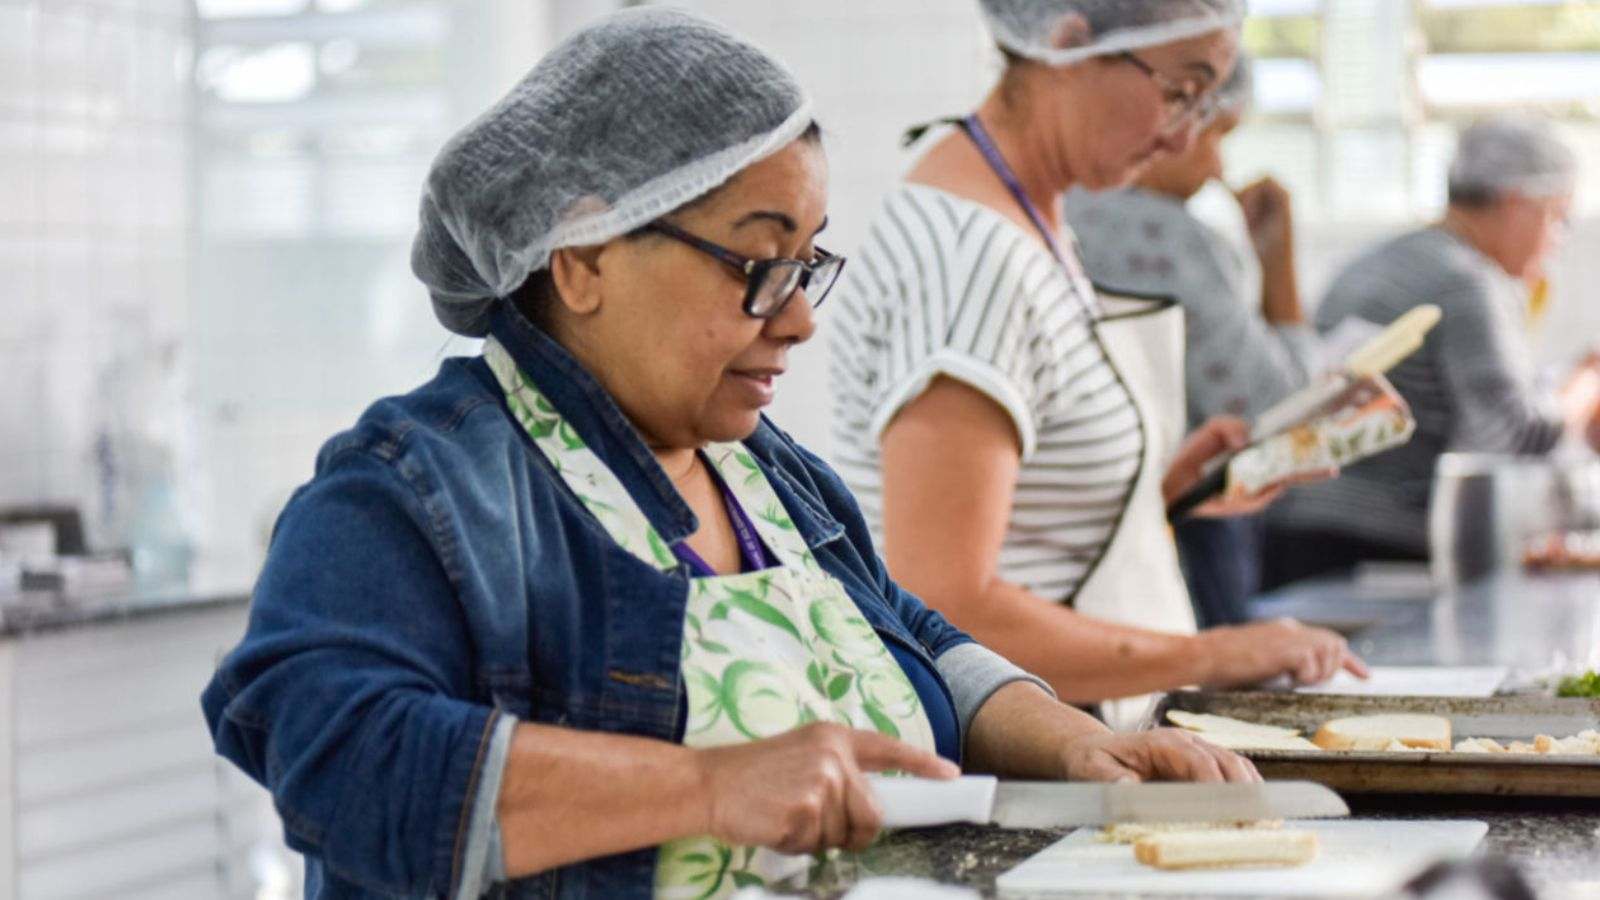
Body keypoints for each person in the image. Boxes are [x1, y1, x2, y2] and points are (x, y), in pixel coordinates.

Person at [199, 10, 1260, 900]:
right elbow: (332, 757)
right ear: (581, 258)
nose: (797, 320)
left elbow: (914, 634)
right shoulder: (416, 487)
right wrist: (703, 787)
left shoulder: (766, 471)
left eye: (807, 265)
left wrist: (1070, 743)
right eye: (758, 264)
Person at [829, 0, 1365, 731]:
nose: (1184, 135)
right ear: (1069, 44)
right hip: (999, 743)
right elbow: (943, 602)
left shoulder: (1033, 212)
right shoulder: (973, 259)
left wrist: (1168, 486)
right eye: (1180, 91)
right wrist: (1211, 653)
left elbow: (1021, 515)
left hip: (1051, 719)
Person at [1262, 114, 1599, 588]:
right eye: (1557, 217)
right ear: (1518, 202)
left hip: (1294, 529)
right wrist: (1585, 384)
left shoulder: (1382, 261)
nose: (1556, 243)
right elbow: (1505, 437)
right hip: (1377, 546)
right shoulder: (1468, 281)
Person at [1064, 56, 1319, 626]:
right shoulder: (1169, 237)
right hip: (1178, 546)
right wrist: (1279, 264)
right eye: (1217, 134)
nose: (1217, 163)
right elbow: (1282, 412)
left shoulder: (1056, 213)